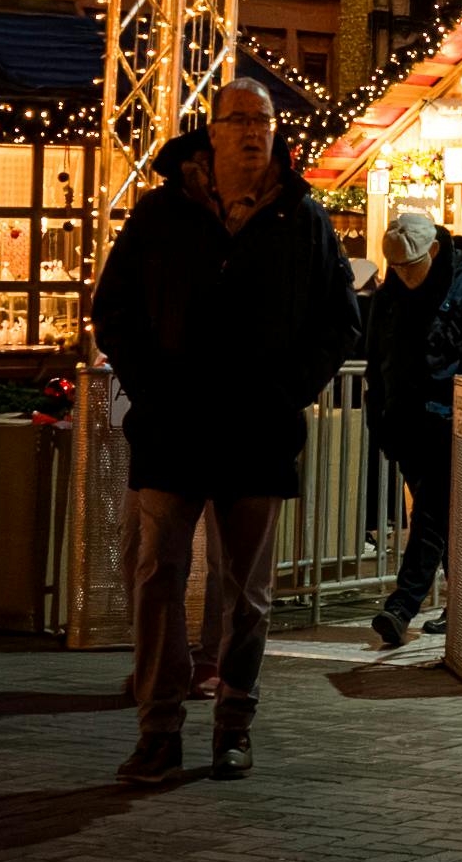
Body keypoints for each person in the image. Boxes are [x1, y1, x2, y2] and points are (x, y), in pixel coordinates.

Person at [91, 76, 361, 786]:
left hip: (255, 432)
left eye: (263, 120)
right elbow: (112, 308)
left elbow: (340, 320)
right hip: (173, 429)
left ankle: (234, 722)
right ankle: (159, 728)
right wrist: (152, 385)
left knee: (247, 592)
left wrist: (288, 392)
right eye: (238, 119)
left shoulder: (302, 220)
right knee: (157, 576)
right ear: (211, 132)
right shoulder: (162, 214)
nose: (251, 131)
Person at [363, 206, 462, 650]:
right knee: (444, 517)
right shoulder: (390, 295)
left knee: (431, 512)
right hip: (407, 422)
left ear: (433, 250)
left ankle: (402, 604)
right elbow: (378, 363)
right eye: (395, 267)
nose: (403, 275)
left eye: (410, 266)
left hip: (455, 422)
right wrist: (381, 418)